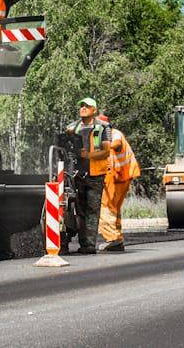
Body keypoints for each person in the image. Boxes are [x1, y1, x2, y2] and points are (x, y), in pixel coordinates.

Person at [63, 97, 112, 254]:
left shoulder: (103, 128)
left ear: (94, 110)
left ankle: (89, 244)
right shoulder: (72, 128)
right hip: (76, 174)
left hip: (95, 174)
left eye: (87, 106)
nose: (83, 108)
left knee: (92, 209)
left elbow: (106, 151)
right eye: (81, 106)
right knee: (79, 209)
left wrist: (89, 155)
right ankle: (80, 241)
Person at [97, 115, 140, 252]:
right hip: (120, 176)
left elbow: (116, 143)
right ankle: (117, 238)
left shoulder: (115, 134)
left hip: (117, 176)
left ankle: (112, 238)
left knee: (105, 208)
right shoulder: (106, 136)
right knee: (114, 209)